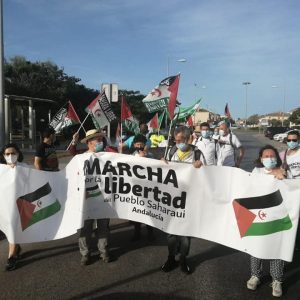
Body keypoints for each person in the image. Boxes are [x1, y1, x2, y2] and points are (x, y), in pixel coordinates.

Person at [161, 126, 202, 275]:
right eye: (175, 140)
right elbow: (163, 171)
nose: (177, 143)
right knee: (171, 232)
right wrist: (162, 163)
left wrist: (201, 167)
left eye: (180, 140)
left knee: (185, 232)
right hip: (172, 198)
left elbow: (209, 174)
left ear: (187, 139)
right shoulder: (171, 151)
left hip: (189, 198)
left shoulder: (197, 153)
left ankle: (183, 258)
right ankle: (171, 257)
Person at [247, 145, 285, 297]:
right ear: (261, 159)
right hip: (259, 215)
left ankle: (277, 280)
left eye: (272, 155)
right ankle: (255, 275)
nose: (269, 158)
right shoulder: (256, 172)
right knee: (257, 245)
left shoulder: (283, 170)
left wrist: (281, 175)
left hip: (278, 216)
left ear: (276, 157)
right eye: (266, 156)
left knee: (277, 247)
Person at [70, 129, 111, 265]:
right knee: (85, 227)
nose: (101, 142)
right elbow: (72, 155)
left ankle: (103, 251)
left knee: (103, 226)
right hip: (86, 198)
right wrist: (74, 143)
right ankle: (85, 253)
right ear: (89, 142)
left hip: (104, 198)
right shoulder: (81, 158)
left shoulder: (107, 156)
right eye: (98, 140)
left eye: (101, 139)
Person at [1, 143, 28, 271]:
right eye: (7, 154)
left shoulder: (24, 167)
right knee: (10, 227)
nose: (10, 156)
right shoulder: (1, 170)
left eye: (13, 153)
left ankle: (11, 256)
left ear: (18, 154)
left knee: (13, 226)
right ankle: (16, 247)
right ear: (3, 156)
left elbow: (30, 183)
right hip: (5, 204)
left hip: (20, 203)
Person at [129, 134, 155, 241]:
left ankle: (150, 232)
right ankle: (137, 231)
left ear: (145, 145)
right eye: (137, 144)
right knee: (137, 212)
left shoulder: (151, 156)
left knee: (149, 211)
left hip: (148, 188)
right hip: (135, 188)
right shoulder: (130, 156)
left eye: (141, 144)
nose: (139, 146)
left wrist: (146, 158)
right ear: (134, 145)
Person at [280, 130, 300, 249]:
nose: (291, 142)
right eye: (289, 140)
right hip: (289, 189)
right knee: (291, 215)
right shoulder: (283, 154)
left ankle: (297, 243)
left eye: (294, 140)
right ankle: (290, 241)